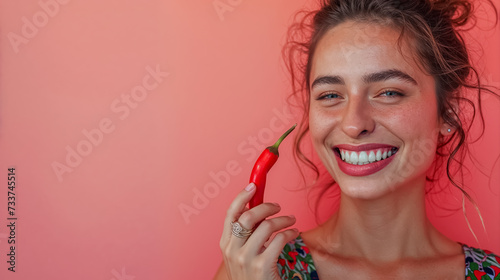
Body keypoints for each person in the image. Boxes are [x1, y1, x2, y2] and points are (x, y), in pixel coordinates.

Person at [215, 0, 500, 279]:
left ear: (448, 113)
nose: (353, 124)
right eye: (330, 95)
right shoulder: (256, 269)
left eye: (388, 92)